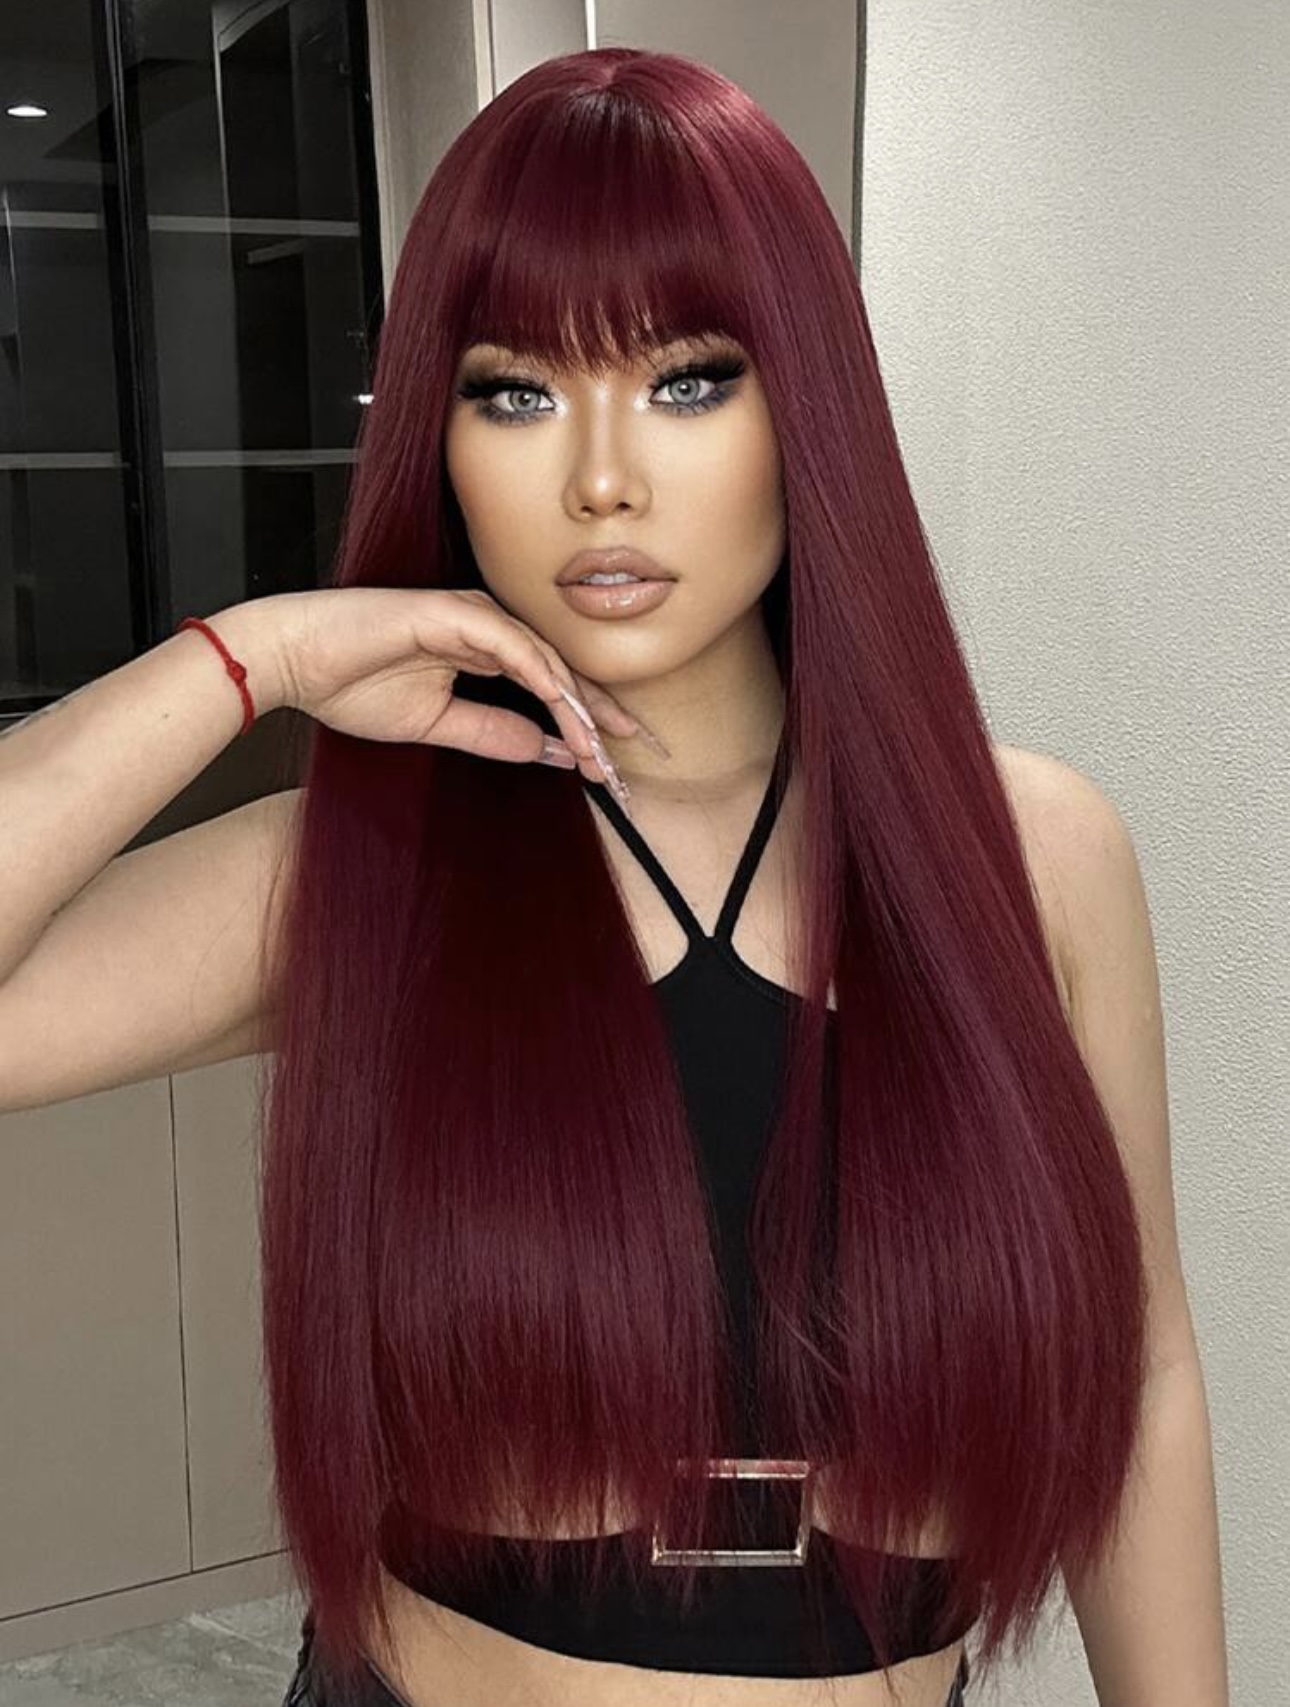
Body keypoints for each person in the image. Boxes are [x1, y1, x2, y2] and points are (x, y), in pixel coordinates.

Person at [0, 45, 1227, 1707]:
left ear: (805, 407)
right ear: (439, 437)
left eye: (687, 380)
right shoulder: (365, 866)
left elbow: (1137, 1372)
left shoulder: (1033, 859)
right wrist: (254, 655)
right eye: (514, 392)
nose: (599, 478)